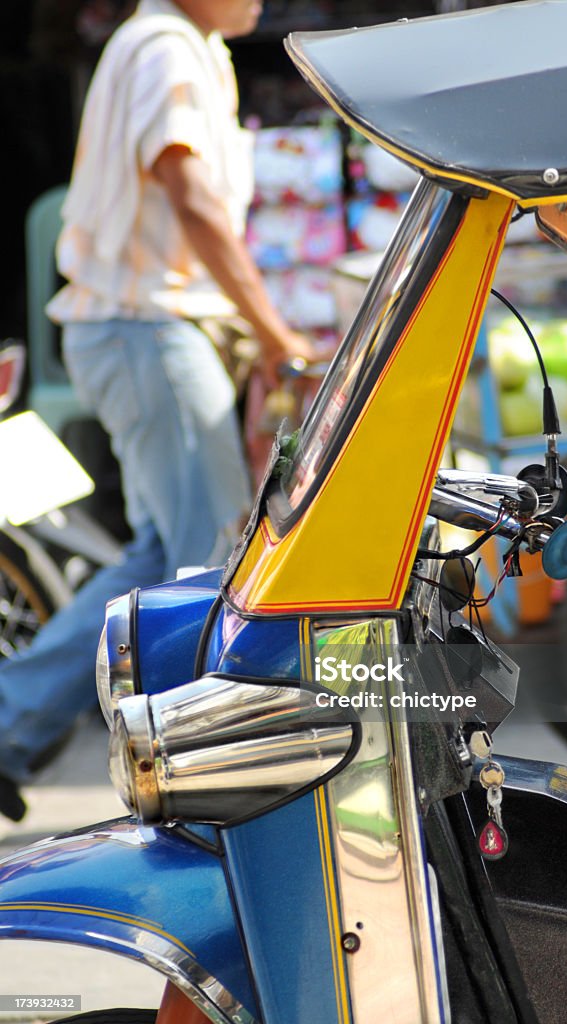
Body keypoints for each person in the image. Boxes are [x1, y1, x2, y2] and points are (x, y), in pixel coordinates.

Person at [0, 0, 313, 822]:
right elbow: (193, 197)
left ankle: (8, 725)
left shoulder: (191, 46)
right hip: (146, 330)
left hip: (146, 331)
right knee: (207, 564)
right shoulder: (167, 45)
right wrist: (272, 329)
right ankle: (200, 779)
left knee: (157, 559)